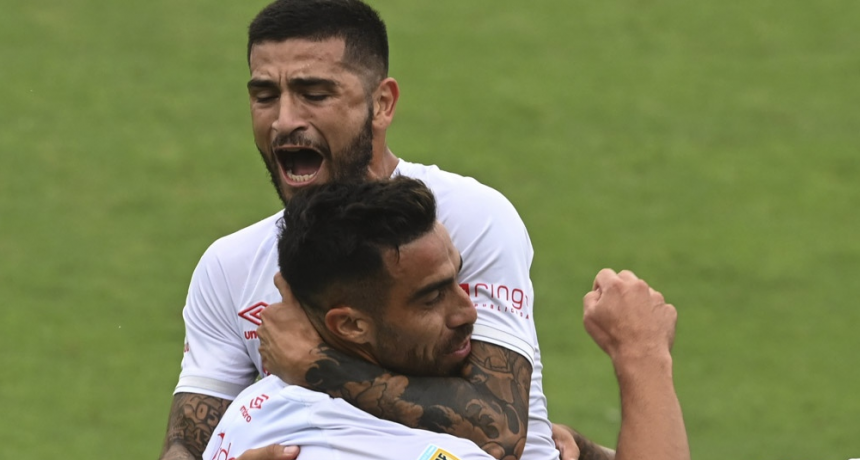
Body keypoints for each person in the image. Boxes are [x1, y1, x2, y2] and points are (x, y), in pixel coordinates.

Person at [159, 1, 607, 459]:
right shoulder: (229, 266)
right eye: (265, 96)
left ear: (382, 103)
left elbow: (499, 429)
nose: (284, 120)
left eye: (315, 94)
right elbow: (184, 446)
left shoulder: (467, 219)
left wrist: (315, 364)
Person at [203, 178, 689, 460]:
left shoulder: (254, 409)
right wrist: (642, 356)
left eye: (458, 280)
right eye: (431, 298)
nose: (467, 311)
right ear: (349, 325)